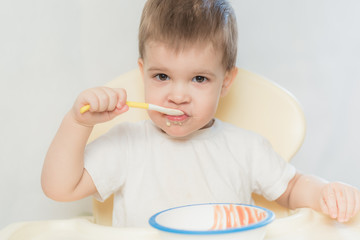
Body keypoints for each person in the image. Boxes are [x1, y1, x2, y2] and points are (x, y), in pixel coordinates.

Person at [41, 0, 360, 227]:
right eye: (162, 76)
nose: (178, 95)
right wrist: (76, 122)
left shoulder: (245, 148)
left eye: (199, 79)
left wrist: (325, 194)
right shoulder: (128, 145)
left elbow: (291, 188)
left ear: (226, 82)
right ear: (143, 73)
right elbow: (59, 187)